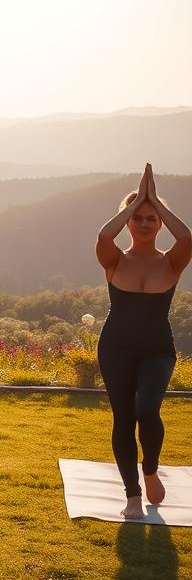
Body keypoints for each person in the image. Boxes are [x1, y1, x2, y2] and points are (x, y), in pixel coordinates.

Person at [95, 163, 189, 519]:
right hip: (115, 347)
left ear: (160, 223)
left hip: (157, 350)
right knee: (123, 418)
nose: (145, 223)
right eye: (139, 218)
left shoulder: (172, 262)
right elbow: (104, 237)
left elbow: (188, 238)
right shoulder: (115, 259)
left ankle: (150, 468)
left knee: (147, 409)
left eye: (152, 218)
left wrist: (155, 201)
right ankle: (132, 495)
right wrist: (133, 205)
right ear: (129, 221)